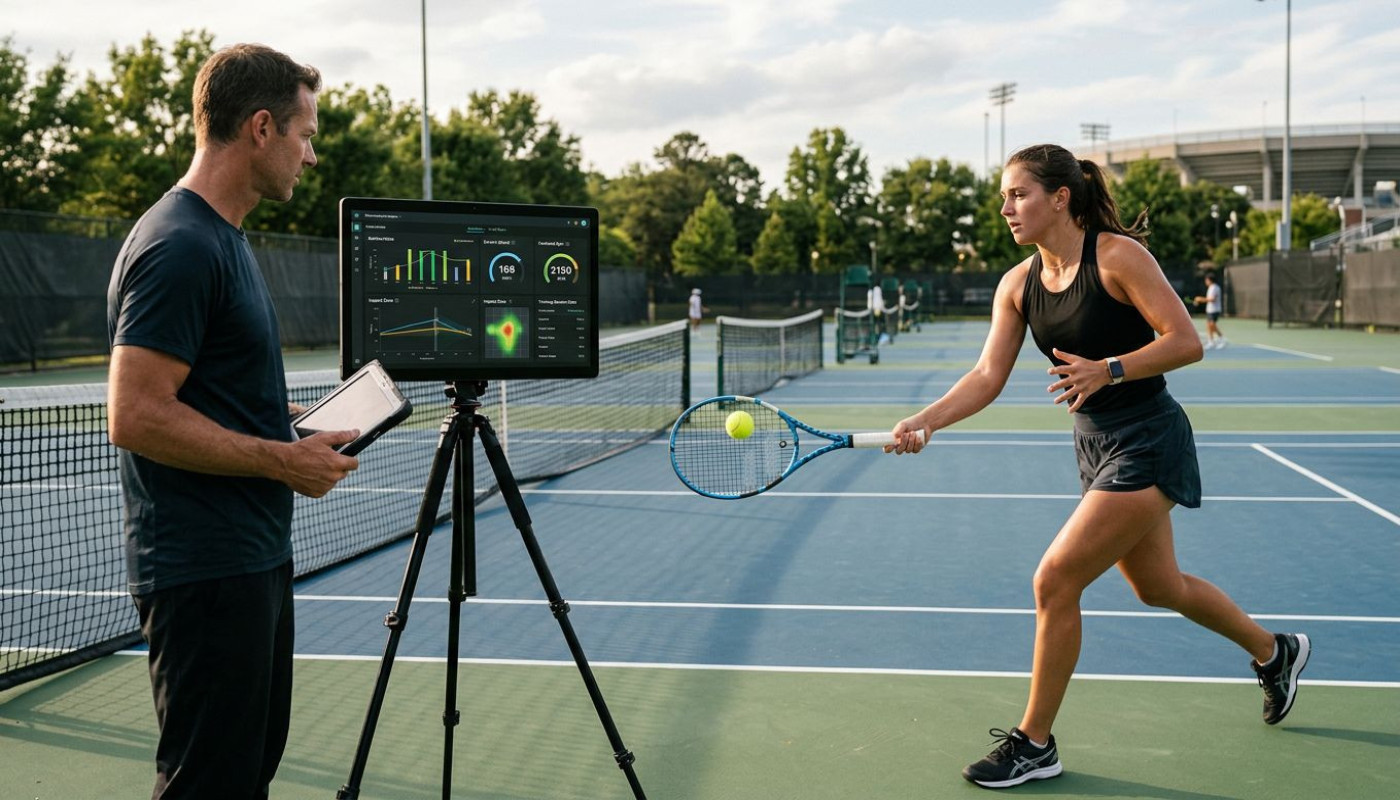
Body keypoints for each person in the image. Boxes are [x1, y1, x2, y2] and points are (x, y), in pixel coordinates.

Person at [886, 144, 1309, 789]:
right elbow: (987, 374)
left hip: (1148, 437)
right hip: (1093, 445)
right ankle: (1274, 652)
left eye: (1018, 194)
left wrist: (1109, 368)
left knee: (1055, 580)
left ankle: (1034, 743)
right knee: (1159, 587)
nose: (1006, 208)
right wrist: (926, 420)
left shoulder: (1117, 257)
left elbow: (1186, 342)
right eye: (1003, 197)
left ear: (1060, 198)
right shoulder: (1018, 285)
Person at [106, 44, 360, 799]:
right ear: (261, 128)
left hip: (249, 560)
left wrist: (294, 422)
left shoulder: (222, 237)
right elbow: (136, 413)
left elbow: (211, 393)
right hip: (204, 571)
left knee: (244, 776)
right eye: (304, 135)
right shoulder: (179, 245)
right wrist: (283, 460)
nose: (310, 155)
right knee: (209, 785)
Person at [1193, 270, 1227, 349]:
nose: (1206, 281)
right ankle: (1211, 341)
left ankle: (1222, 338)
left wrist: (1200, 299)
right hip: (1210, 310)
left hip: (1215, 310)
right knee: (1208, 325)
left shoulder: (1215, 288)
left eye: (1206, 280)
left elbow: (1212, 299)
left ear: (1209, 280)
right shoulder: (1211, 287)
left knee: (1212, 325)